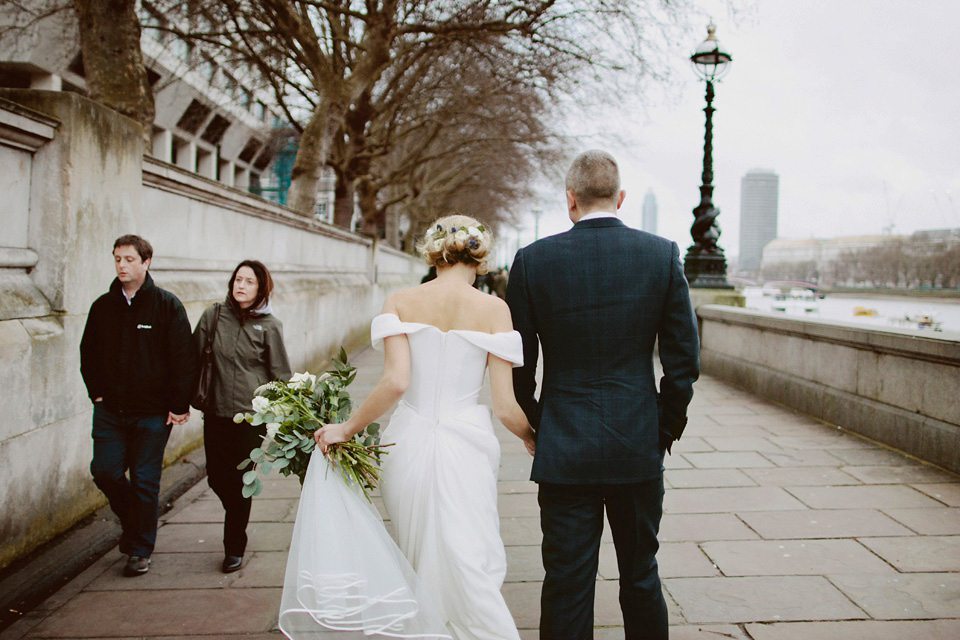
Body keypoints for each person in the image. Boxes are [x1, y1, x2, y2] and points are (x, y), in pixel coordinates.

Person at [278, 214, 536, 639]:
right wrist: (531, 436)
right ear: (479, 256)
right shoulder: (495, 310)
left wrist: (347, 427)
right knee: (468, 555)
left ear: (433, 252)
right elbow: (506, 407)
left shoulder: (400, 301)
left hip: (409, 441)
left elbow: (396, 382)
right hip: (467, 446)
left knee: (418, 554)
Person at [506, 150, 700, 640]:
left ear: (570, 200)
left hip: (565, 446)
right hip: (636, 442)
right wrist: (662, 429)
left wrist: (539, 425)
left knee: (567, 582)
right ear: (621, 197)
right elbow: (684, 362)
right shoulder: (660, 255)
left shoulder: (532, 261)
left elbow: (519, 364)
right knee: (640, 575)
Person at [80, 234, 198, 577]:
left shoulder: (166, 305)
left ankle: (139, 549)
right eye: (117, 259)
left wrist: (179, 405)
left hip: (152, 414)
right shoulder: (103, 306)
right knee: (105, 471)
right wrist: (96, 393)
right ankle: (136, 524)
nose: (122, 265)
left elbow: (183, 359)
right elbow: (88, 352)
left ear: (146, 262)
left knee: (145, 481)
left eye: (129, 259)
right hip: (109, 411)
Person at [193, 260, 292, 573]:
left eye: (249, 281)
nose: (241, 286)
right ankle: (236, 512)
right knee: (216, 477)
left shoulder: (270, 326)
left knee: (240, 482)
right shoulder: (214, 316)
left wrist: (291, 415)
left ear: (261, 288)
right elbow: (192, 357)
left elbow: (280, 374)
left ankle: (234, 546)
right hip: (217, 412)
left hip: (252, 418)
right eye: (238, 279)